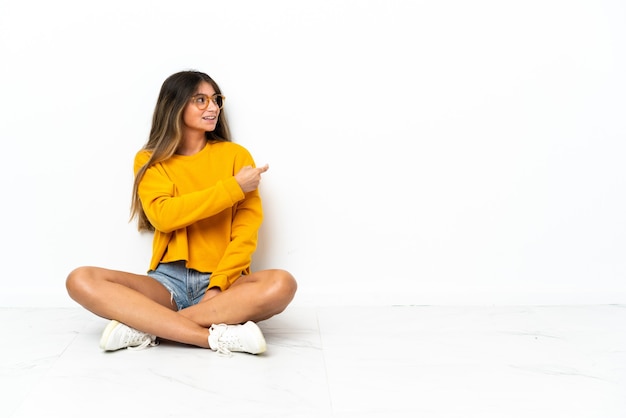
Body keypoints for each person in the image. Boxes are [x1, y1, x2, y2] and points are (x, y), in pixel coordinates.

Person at [66, 70, 297, 356]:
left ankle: (148, 327)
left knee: (281, 283)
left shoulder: (236, 156)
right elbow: (165, 216)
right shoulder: (151, 160)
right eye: (200, 100)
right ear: (174, 106)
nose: (212, 107)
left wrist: (218, 286)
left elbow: (245, 232)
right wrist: (233, 187)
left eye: (215, 100)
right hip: (167, 284)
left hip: (225, 284)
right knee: (80, 279)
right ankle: (213, 337)